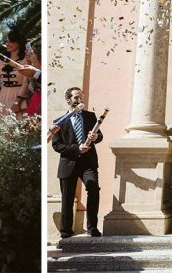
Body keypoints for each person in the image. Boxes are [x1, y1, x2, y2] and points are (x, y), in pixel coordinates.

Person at [52, 87, 102, 238]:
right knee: (67, 196)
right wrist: (76, 148)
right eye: (76, 97)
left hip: (88, 162)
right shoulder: (59, 122)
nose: (79, 100)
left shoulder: (90, 116)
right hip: (69, 162)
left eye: (81, 97)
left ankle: (92, 227)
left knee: (93, 188)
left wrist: (95, 138)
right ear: (68, 100)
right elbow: (57, 145)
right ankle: (66, 231)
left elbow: (99, 135)